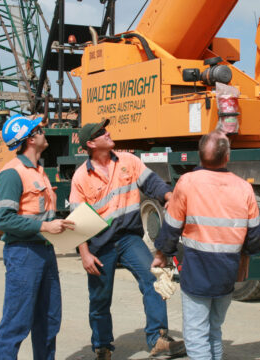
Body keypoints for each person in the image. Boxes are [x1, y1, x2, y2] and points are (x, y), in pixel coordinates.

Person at [69, 119, 186, 360]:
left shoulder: (128, 161)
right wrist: (84, 253)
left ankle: (158, 339)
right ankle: (102, 347)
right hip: (99, 245)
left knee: (153, 280)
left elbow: (151, 182)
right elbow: (77, 221)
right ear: (91, 143)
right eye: (102, 132)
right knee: (100, 298)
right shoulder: (81, 177)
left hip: (128, 239)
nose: (108, 132)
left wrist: (168, 194)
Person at [152, 130, 260, 360]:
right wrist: (245, 258)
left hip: (197, 272)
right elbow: (255, 236)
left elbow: (171, 226)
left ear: (199, 156)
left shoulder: (187, 182)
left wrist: (162, 254)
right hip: (227, 272)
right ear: (227, 157)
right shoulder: (244, 188)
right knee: (214, 330)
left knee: (196, 334)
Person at [0, 114, 75, 359]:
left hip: (44, 252)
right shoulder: (12, 173)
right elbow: (3, 219)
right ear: (29, 139)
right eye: (39, 130)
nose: (43, 132)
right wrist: (45, 228)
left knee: (49, 320)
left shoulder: (38, 171)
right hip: (23, 253)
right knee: (16, 324)